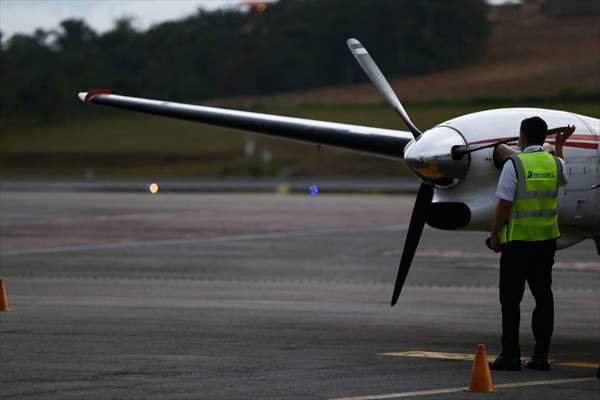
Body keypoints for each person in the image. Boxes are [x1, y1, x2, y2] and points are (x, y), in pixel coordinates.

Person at [488, 117, 574, 371]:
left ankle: (511, 355)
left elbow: (504, 204)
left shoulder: (514, 164)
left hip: (517, 243)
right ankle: (541, 356)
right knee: (544, 298)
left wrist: (494, 236)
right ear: (544, 137)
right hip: (546, 242)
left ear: (523, 136)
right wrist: (559, 147)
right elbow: (561, 175)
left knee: (511, 301)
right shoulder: (554, 162)